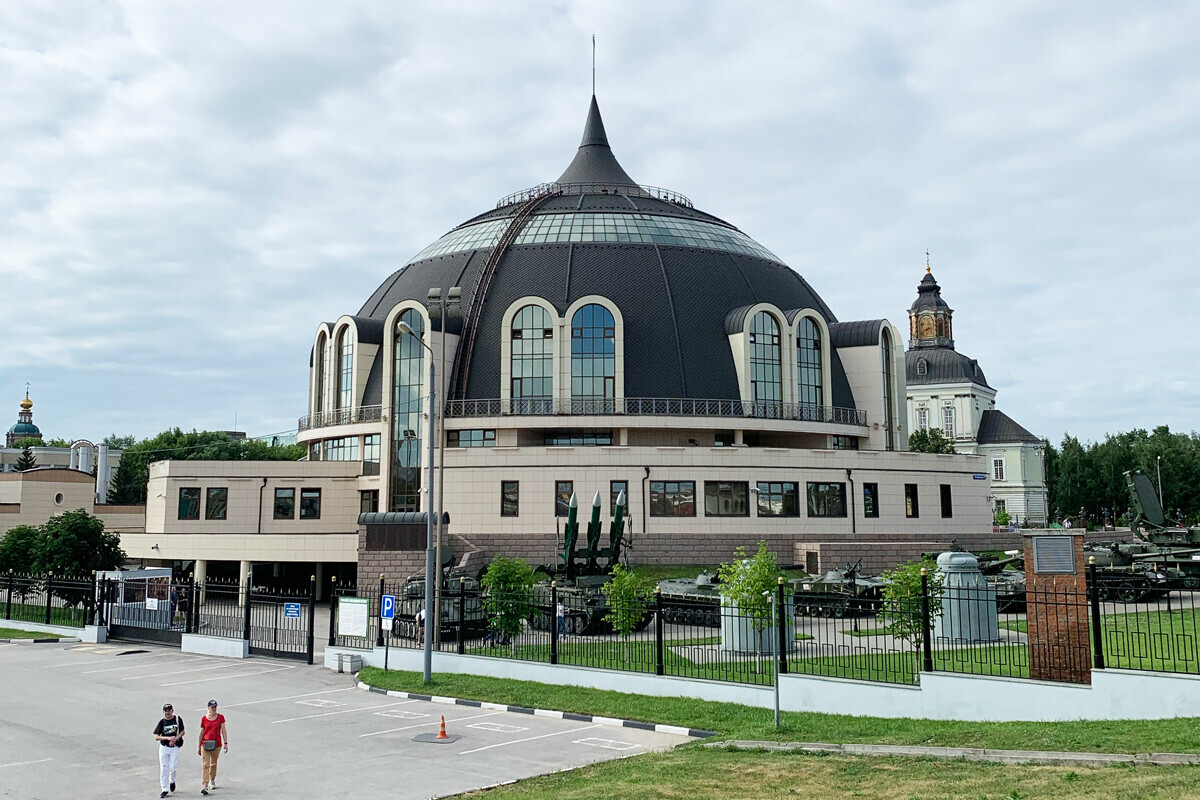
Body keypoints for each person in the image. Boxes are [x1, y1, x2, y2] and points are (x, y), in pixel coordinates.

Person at [152, 703, 185, 797]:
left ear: (172, 711)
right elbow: (157, 737)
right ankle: (164, 789)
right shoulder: (162, 722)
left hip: (175, 748)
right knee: (164, 768)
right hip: (164, 748)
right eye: (166, 711)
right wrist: (167, 738)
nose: (167, 713)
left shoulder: (177, 719)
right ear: (163, 712)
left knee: (173, 768)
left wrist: (176, 738)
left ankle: (172, 780)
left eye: (169, 710)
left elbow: (183, 731)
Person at [197, 699, 228, 795]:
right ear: (208, 708)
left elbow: (223, 731)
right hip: (205, 744)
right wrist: (199, 746)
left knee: (213, 764)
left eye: (215, 707)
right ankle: (205, 785)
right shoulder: (204, 719)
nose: (214, 709)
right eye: (212, 707)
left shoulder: (220, 717)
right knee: (205, 764)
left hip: (216, 744)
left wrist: (226, 743)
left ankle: (212, 779)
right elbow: (202, 732)